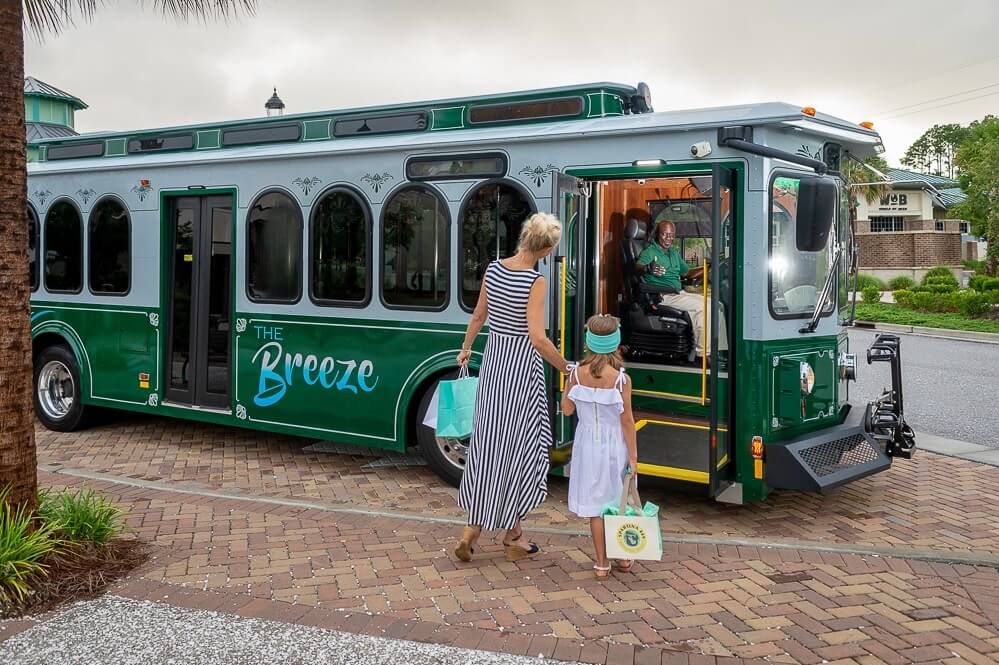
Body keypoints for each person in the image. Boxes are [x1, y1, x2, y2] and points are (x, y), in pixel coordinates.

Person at [454, 212, 571, 563]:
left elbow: (478, 316)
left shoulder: (493, 269)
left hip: (493, 365)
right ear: (547, 248)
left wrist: (465, 349)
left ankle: (472, 530)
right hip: (521, 371)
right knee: (521, 450)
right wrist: (566, 366)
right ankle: (512, 535)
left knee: (489, 446)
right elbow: (537, 338)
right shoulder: (535, 282)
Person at [561, 314, 638, 579]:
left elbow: (567, 409)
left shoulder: (576, 375)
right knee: (618, 501)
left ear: (588, 344)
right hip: (614, 444)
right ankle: (624, 557)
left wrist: (568, 382)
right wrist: (634, 456)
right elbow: (627, 421)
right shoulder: (621, 380)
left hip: (586, 445)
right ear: (616, 345)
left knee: (595, 507)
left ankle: (601, 564)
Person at [635, 219, 726, 359]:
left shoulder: (673, 252)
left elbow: (686, 272)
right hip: (663, 296)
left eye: (671, 235)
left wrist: (709, 266)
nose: (668, 238)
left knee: (717, 305)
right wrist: (648, 267)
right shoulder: (650, 251)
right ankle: (703, 354)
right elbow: (637, 267)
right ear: (657, 234)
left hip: (678, 293)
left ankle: (719, 350)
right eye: (664, 234)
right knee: (705, 308)